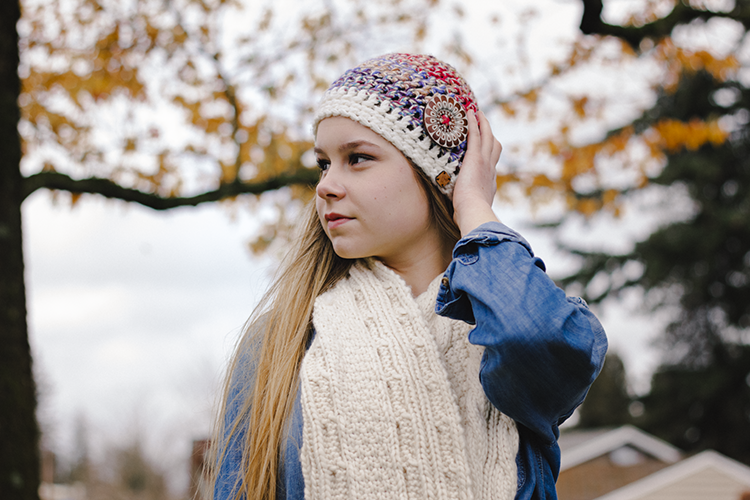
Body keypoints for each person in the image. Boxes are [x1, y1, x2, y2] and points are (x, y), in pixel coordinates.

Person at [210, 53, 607, 500]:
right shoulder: (282, 340)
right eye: (323, 163)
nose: (325, 185)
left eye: (357, 158)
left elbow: (535, 338)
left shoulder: (501, 326)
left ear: (435, 175)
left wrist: (474, 206)